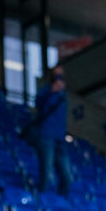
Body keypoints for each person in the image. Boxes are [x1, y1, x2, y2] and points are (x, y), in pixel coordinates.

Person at [32, 65, 72, 197]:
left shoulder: (64, 94)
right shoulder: (45, 91)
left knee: (67, 176)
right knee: (46, 172)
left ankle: (62, 204)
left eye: (61, 75)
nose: (59, 78)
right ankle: (41, 201)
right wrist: (51, 92)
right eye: (57, 75)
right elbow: (39, 105)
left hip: (60, 139)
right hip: (46, 136)